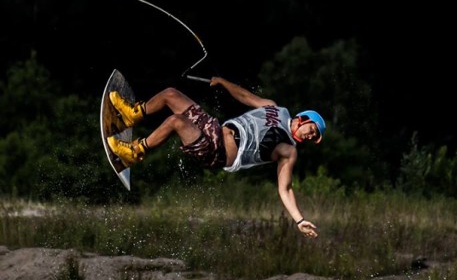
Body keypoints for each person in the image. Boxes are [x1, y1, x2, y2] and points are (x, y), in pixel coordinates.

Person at [107, 76, 325, 238]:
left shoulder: (289, 149)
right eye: (312, 131)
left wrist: (300, 220)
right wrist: (223, 82)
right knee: (170, 94)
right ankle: (132, 114)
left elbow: (285, 188)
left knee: (176, 121)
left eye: (313, 137)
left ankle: (134, 154)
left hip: (218, 153)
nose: (309, 136)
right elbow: (246, 96)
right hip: (215, 129)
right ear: (304, 118)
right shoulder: (275, 108)